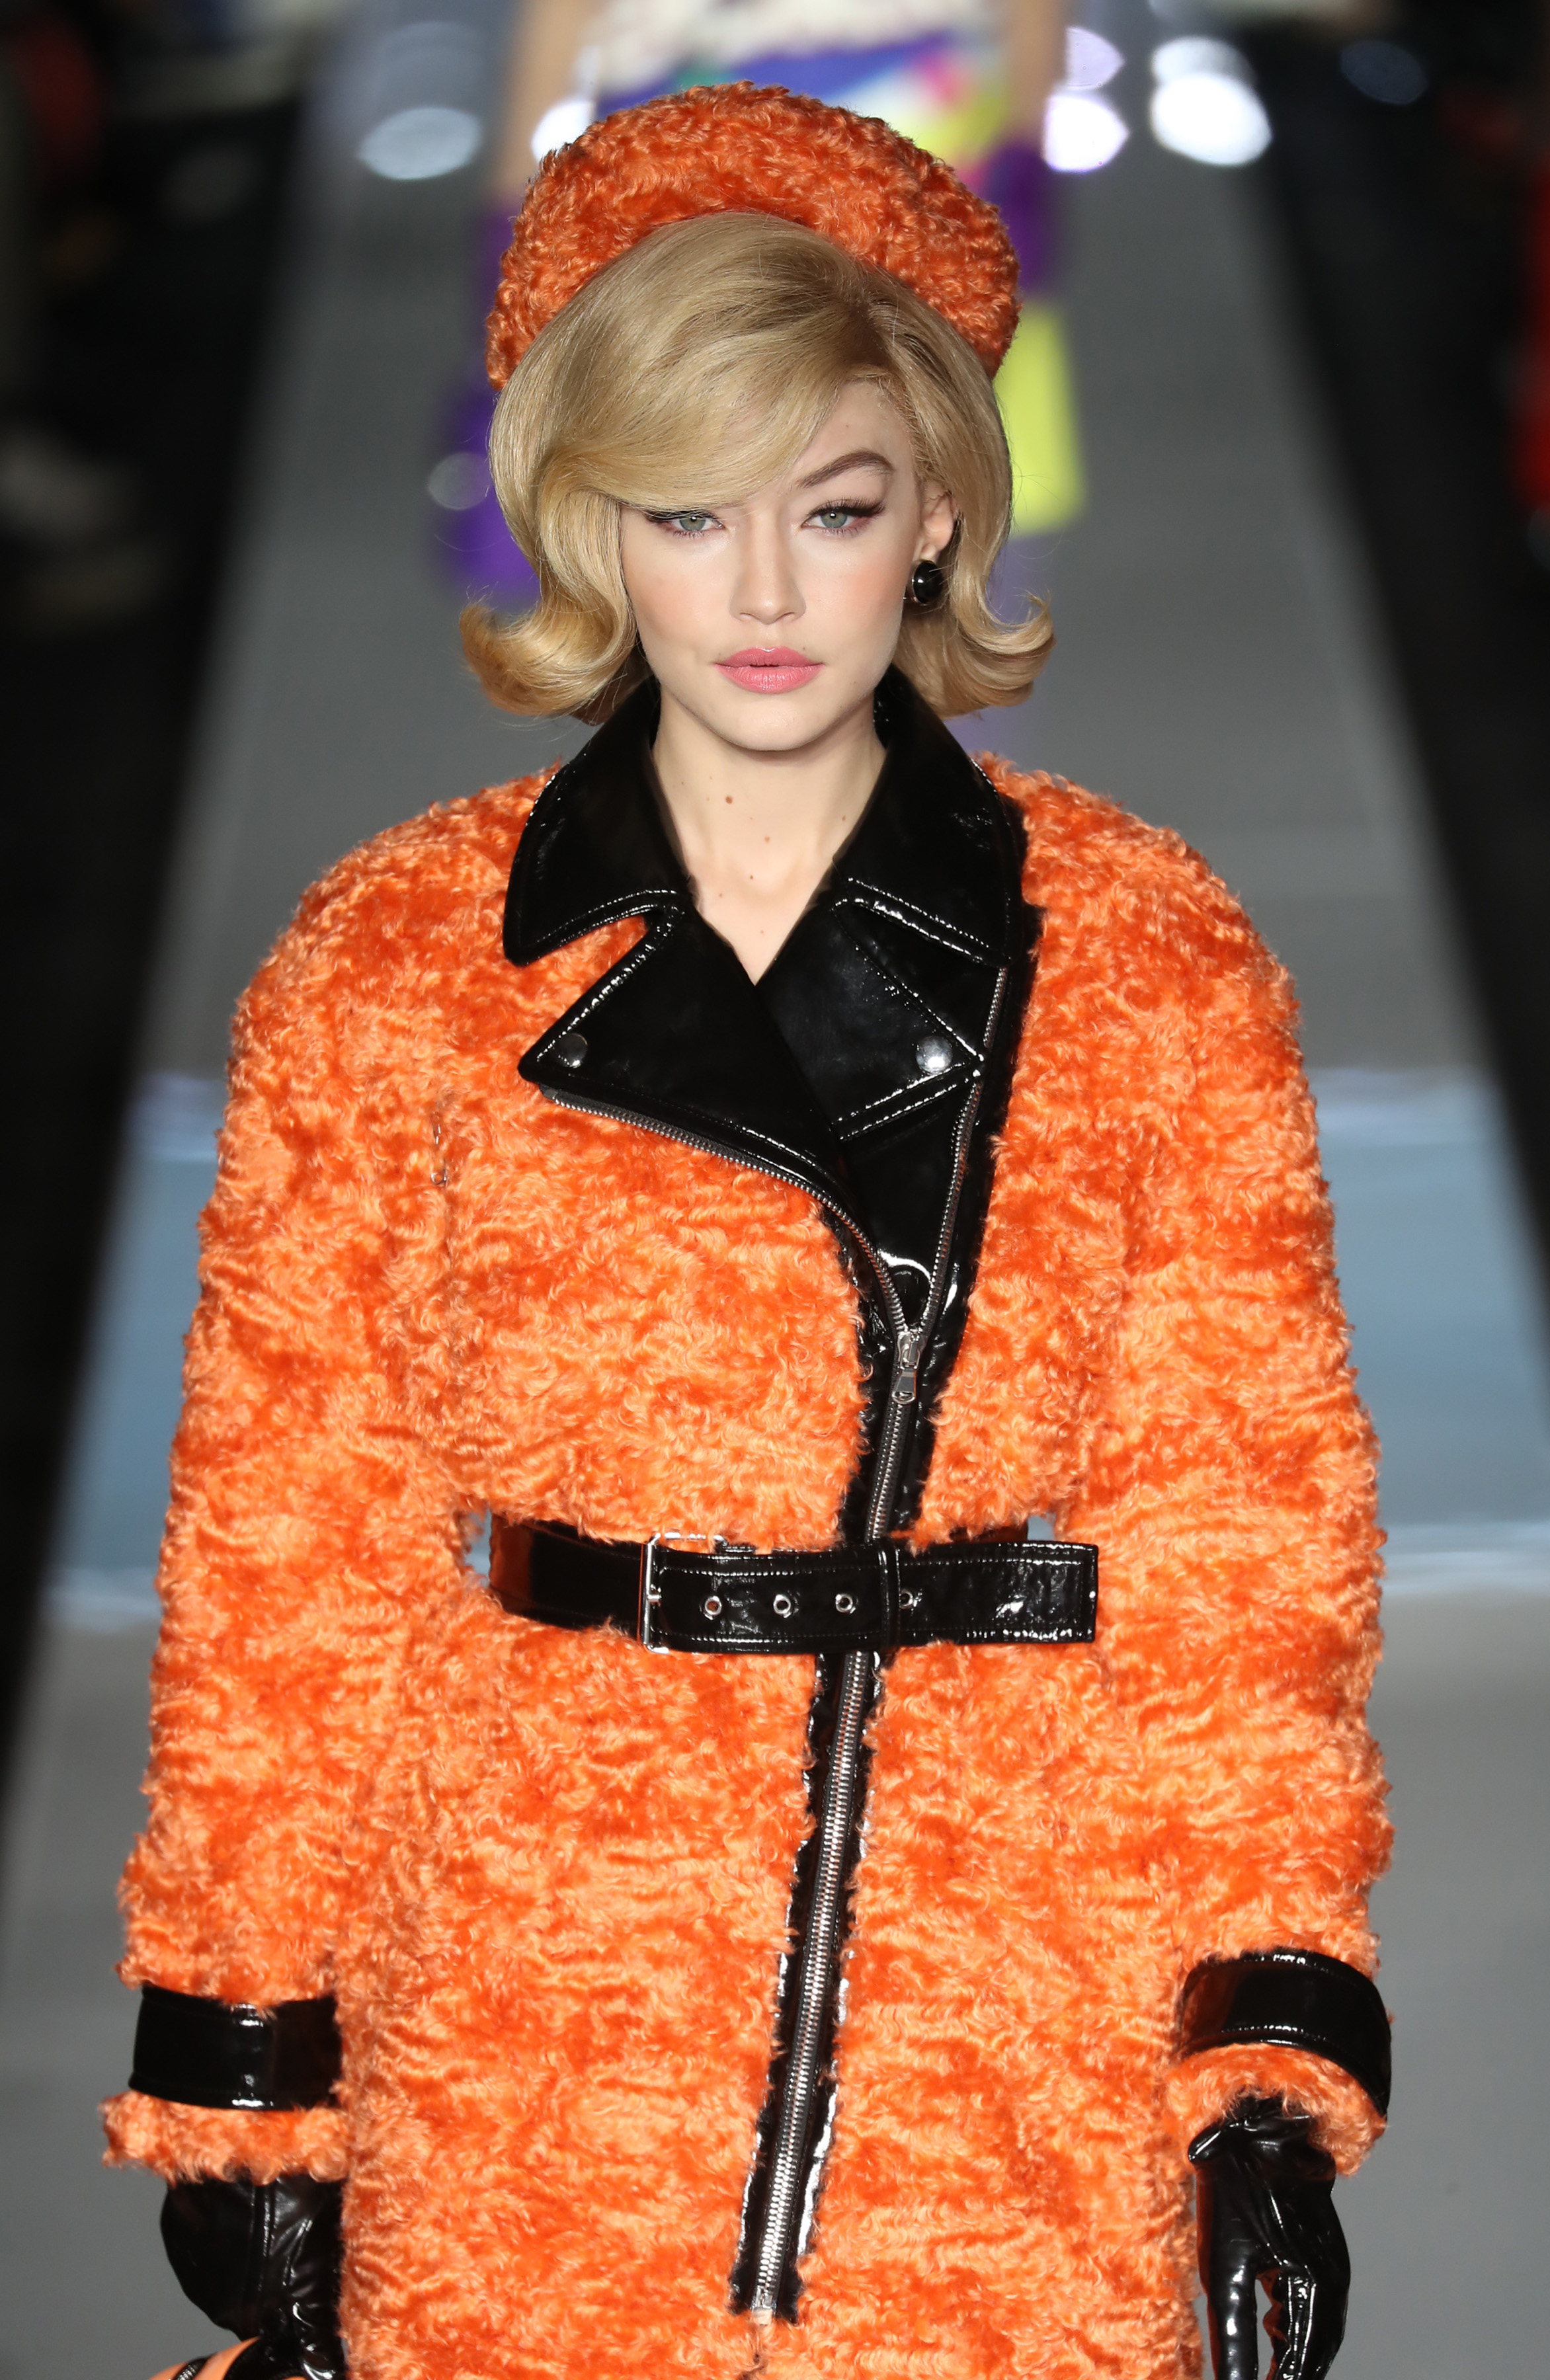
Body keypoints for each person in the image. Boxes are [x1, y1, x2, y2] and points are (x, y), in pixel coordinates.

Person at [117, 85, 1391, 2380]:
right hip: (528, 2013)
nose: (772, 594)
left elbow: (1239, 1548)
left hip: (1005, 2022)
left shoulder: (1143, 954)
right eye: (689, 514)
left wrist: (1257, 2076)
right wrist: (253, 2070)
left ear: (939, 508)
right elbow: (289, 1552)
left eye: (835, 504)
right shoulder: (396, 960)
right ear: (584, 522)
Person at [432, 0, 1081, 599]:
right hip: (685, 199)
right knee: (687, 536)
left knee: (942, 542)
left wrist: (1025, 157)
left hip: (928, 179)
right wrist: (517, 232)